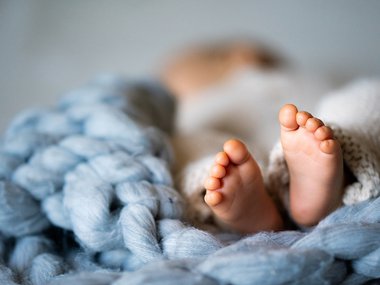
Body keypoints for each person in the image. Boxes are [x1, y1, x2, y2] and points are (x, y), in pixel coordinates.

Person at [162, 40, 380, 233]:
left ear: (239, 54)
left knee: (367, 94)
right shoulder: (190, 109)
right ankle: (236, 197)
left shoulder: (285, 76)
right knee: (185, 145)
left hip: (315, 130)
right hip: (240, 144)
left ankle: (332, 173)